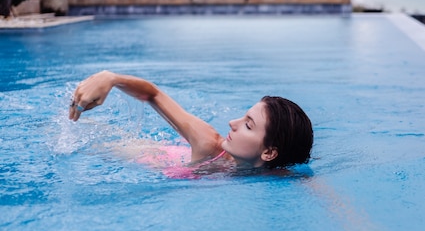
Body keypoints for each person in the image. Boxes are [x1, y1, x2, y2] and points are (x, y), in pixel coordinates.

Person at [69, 70, 313, 173]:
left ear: (270, 153)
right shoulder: (209, 144)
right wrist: (110, 78)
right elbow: (153, 94)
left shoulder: (280, 175)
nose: (231, 123)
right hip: (139, 154)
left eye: (248, 125)